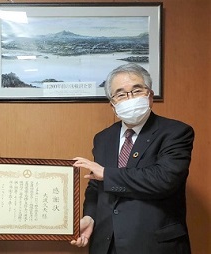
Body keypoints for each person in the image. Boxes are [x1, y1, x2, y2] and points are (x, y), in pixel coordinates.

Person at [70, 63, 194, 254]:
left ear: (150, 96)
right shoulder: (103, 138)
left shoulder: (175, 132)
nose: (129, 98)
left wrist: (107, 174)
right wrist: (90, 217)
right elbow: (96, 186)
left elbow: (164, 179)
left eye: (136, 90)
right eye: (120, 94)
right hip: (106, 245)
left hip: (154, 245)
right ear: (112, 105)